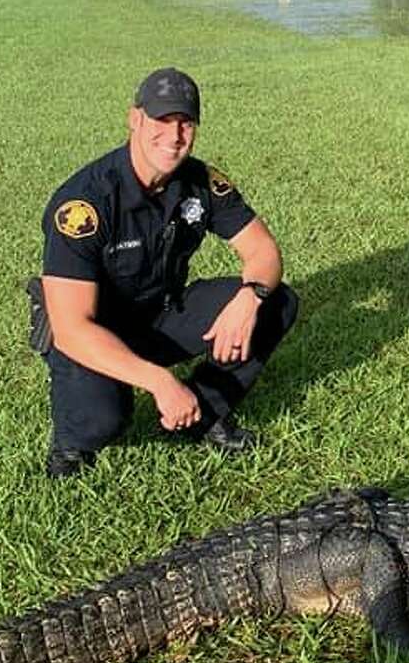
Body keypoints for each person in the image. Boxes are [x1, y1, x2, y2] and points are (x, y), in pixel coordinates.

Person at [30, 67, 299, 477]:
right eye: (162, 121)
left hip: (159, 311)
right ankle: (71, 444)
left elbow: (263, 250)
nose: (174, 137)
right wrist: (160, 382)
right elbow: (72, 327)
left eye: (185, 123)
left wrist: (250, 298)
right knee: (104, 421)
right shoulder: (84, 203)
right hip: (92, 328)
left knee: (276, 302)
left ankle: (205, 412)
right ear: (135, 119)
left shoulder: (201, 182)